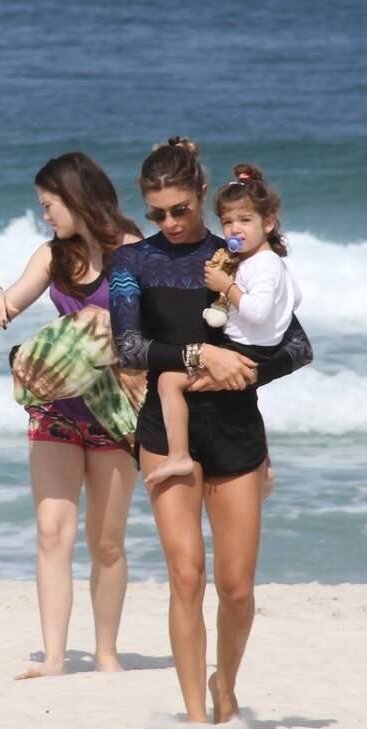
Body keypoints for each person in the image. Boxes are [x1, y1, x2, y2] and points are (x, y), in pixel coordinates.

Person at [110, 137, 313, 725]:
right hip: (164, 430)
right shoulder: (131, 263)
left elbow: (295, 346)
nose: (170, 223)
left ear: (201, 194)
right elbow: (128, 348)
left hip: (235, 429)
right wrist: (201, 356)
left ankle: (226, 684)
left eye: (179, 209)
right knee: (185, 575)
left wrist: (238, 374)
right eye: (156, 213)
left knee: (237, 588)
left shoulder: (243, 256)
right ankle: (196, 714)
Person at [0, 152, 142, 679]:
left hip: (114, 411)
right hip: (56, 408)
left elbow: (159, 329)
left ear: (75, 198)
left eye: (49, 205)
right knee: (53, 532)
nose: (45, 215)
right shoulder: (52, 257)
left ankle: (106, 653)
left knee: (107, 541)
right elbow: (12, 298)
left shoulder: (134, 253)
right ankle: (53, 657)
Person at [144, 163, 301, 487]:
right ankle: (266, 463)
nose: (233, 229)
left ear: (268, 222)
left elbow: (262, 315)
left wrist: (225, 287)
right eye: (228, 221)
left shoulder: (260, 266)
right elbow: (293, 298)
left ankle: (178, 455)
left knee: (169, 383)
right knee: (242, 395)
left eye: (245, 220)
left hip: (243, 350)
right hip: (256, 351)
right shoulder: (264, 262)